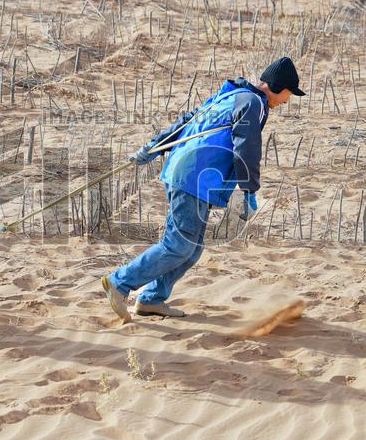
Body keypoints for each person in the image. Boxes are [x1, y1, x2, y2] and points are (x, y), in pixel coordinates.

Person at [102, 57, 304, 321]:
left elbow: (188, 122)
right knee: (178, 245)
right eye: (289, 93)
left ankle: (151, 299)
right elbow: (247, 148)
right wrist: (249, 191)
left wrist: (154, 146)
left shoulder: (232, 96)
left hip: (191, 175)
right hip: (193, 177)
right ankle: (119, 283)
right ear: (278, 87)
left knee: (192, 248)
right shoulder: (254, 104)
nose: (287, 101)